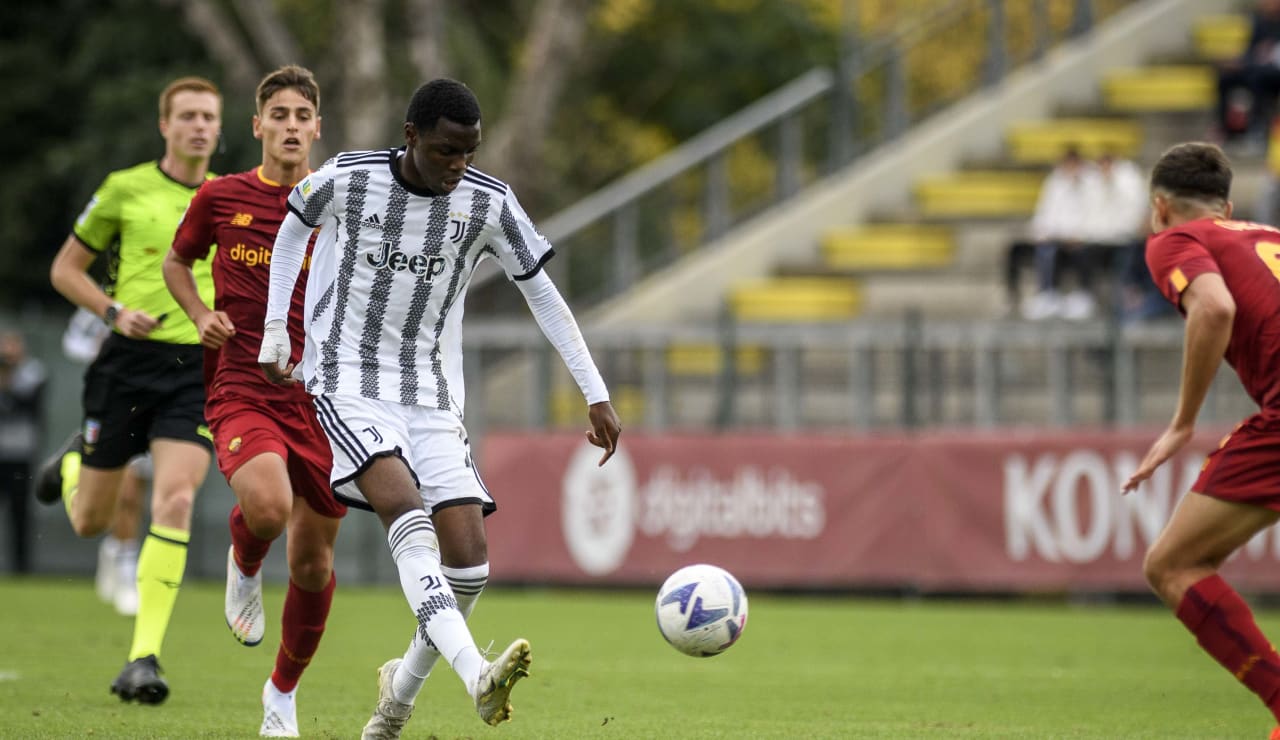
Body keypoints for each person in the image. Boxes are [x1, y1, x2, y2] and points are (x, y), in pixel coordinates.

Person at [257, 78, 622, 738]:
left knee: (470, 561)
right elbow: (292, 229)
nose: (460, 166)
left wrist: (593, 390)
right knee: (408, 514)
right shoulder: (348, 178)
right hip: (346, 381)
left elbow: (543, 294)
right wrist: (279, 330)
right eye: (448, 151)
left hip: (429, 395)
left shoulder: (487, 203)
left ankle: (396, 698)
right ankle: (476, 676)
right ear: (411, 137)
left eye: (470, 153)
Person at [163, 64, 343, 738]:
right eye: (281, 115)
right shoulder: (222, 196)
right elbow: (176, 261)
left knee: (314, 562)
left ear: (317, 128)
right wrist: (198, 311)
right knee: (266, 508)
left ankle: (282, 694)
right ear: (258, 125)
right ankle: (244, 558)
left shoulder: (339, 207)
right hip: (242, 383)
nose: (292, 126)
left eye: (304, 116)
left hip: (321, 401)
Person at [37, 76, 222, 704]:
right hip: (125, 364)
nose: (199, 126)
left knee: (174, 501)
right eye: (188, 115)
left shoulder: (230, 198)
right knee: (91, 521)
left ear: (221, 129)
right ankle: (70, 465)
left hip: (196, 371)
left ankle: (143, 658)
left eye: (209, 117)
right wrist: (114, 312)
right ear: (164, 124)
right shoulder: (124, 188)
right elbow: (65, 269)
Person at [1124, 141, 1280, 736]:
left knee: (1174, 564)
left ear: (1160, 207)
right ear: (1229, 205)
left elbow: (1213, 309)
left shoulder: (1174, 240)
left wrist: (1182, 423)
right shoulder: (1266, 234)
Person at [62, 305, 148, 616]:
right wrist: (106, 347)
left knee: (137, 491)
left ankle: (117, 551)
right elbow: (72, 342)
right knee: (120, 492)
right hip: (111, 399)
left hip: (156, 398)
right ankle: (125, 570)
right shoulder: (104, 298)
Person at [1006, 147, 1101, 320]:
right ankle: (1045, 294)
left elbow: (1096, 215)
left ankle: (1084, 295)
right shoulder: (1054, 182)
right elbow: (1044, 213)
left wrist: (1080, 234)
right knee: (1034, 249)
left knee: (1081, 250)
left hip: (1083, 238)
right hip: (1056, 237)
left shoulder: (1092, 182)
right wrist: (1043, 232)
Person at [0, 330, 46, 573]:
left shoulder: (33, 373)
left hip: (20, 454)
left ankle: (21, 568)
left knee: (20, 514)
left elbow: (31, 408)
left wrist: (9, 385)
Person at [1215, 0, 1280, 146]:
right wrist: (1239, 62)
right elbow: (1251, 50)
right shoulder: (1260, 22)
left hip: (1274, 71)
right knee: (1226, 78)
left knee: (1257, 77)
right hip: (1255, 67)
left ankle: (1257, 127)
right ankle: (1226, 130)